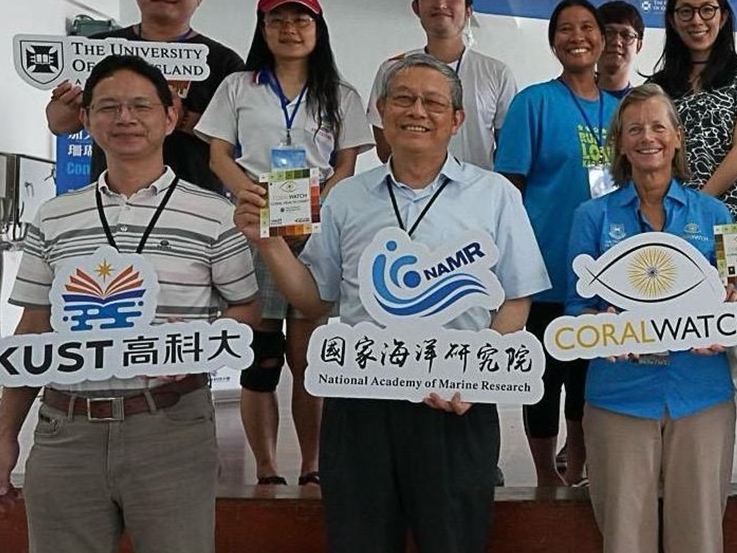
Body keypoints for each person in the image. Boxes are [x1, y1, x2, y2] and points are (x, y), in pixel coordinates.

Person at [234, 54, 549, 552]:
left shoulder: (494, 196)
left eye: (433, 102)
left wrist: (473, 375)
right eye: (402, 98)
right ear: (381, 110)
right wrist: (269, 243)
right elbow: (315, 301)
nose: (416, 111)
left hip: (456, 403)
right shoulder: (347, 198)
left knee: (454, 541)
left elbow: (516, 299)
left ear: (456, 119)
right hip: (361, 401)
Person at [0, 55, 260, 551]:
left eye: (140, 106)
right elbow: (33, 329)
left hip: (171, 427)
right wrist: (5, 435)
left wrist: (201, 344)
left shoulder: (216, 216)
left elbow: (247, 313)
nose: (124, 118)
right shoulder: (55, 217)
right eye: (107, 107)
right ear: (85, 120)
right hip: (66, 429)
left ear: (170, 117)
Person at [195, 0, 374, 486]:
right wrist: (247, 196)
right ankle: (268, 466)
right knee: (261, 358)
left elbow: (346, 164)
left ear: (318, 29)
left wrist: (325, 201)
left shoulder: (341, 94)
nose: (290, 30)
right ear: (263, 28)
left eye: (301, 20)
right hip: (256, 230)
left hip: (317, 233)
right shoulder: (238, 86)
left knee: (308, 356)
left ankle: (313, 463)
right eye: (277, 20)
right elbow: (217, 155)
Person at [568, 83, 737, 553]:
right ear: (620, 142)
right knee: (624, 538)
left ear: (678, 137)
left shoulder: (716, 213)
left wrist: (733, 311)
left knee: (700, 536)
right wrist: (596, 325)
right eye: (635, 128)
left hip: (701, 394)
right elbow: (573, 306)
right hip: (619, 396)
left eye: (659, 126)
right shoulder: (591, 215)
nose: (648, 137)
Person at [494, 0, 615, 487]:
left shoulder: (623, 107)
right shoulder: (534, 102)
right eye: (565, 28)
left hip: (605, 273)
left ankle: (579, 470)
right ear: (553, 42)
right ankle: (546, 478)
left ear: (603, 40)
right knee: (543, 383)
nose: (577, 36)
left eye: (587, 27)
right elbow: (509, 191)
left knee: (589, 381)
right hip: (545, 268)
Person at [45, 0, 244, 193]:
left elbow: (240, 139)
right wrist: (68, 103)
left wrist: (183, 118)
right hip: (111, 197)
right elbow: (59, 124)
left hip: (194, 201)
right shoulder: (95, 50)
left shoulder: (222, 61)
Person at [366, 0, 518, 168]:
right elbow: (385, 146)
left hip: (475, 193)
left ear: (468, 11)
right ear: (416, 8)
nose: (441, 4)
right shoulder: (393, 70)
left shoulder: (496, 73)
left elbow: (509, 149)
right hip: (410, 193)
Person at [650, 0, 737, 223]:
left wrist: (699, 205)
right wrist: (680, 212)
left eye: (707, 10)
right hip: (673, 215)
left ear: (723, 16)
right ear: (672, 20)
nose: (697, 20)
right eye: (686, 11)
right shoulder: (655, 88)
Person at [596, 0, 645, 99]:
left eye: (627, 35)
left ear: (638, 46)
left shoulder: (644, 105)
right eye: (608, 33)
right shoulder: (568, 99)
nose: (617, 42)